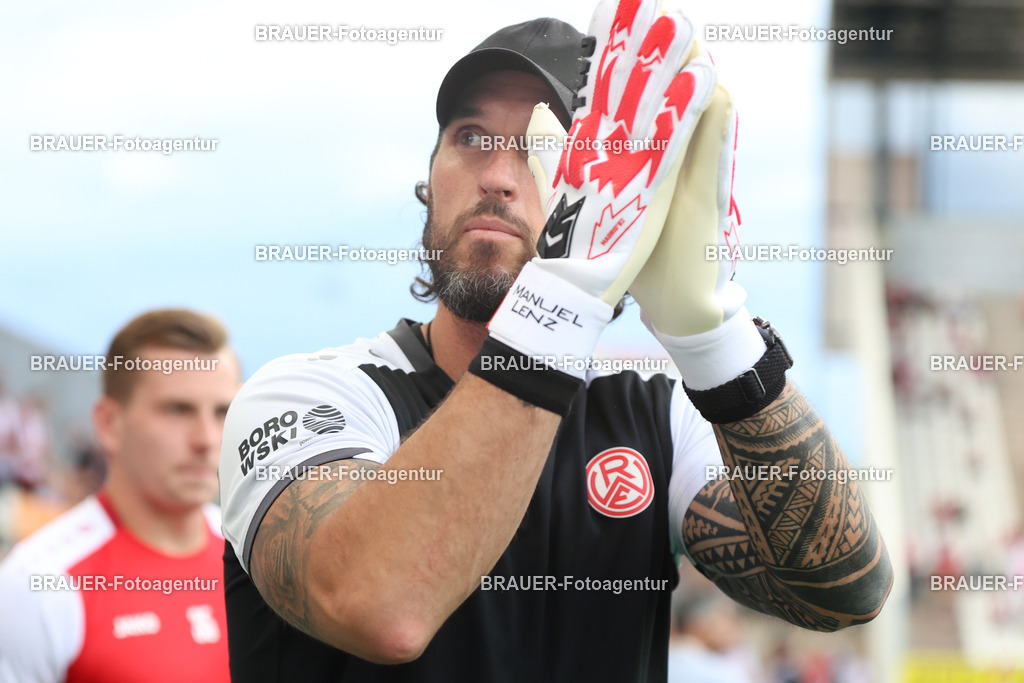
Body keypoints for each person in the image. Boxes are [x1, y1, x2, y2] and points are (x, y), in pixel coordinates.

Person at [219, 1, 893, 680]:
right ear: (430, 183)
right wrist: (561, 294)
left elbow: (844, 591)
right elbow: (383, 607)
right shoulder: (308, 397)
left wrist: (716, 338)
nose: (497, 176)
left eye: (545, 148)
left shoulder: (657, 419)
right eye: (470, 136)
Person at [0, 309, 240, 682]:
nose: (207, 439)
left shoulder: (256, 559)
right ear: (109, 423)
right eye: (178, 410)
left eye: (223, 412)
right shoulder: (37, 584)